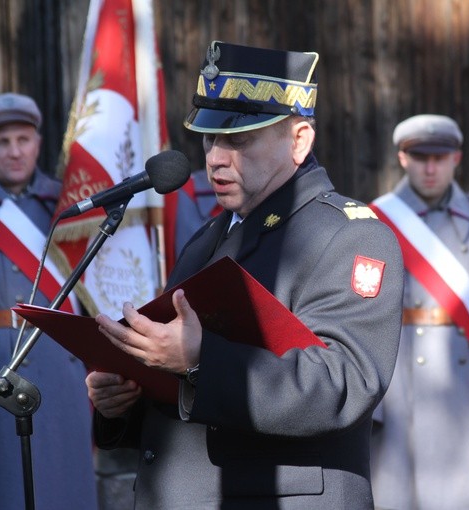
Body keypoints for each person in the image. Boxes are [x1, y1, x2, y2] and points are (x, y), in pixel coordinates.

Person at [85, 41, 404, 509]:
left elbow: (345, 383)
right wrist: (125, 401)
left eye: (239, 140)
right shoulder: (207, 237)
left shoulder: (351, 236)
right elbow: (186, 407)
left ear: (299, 141)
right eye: (210, 139)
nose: (215, 157)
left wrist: (199, 360)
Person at [369, 114, 469, 510]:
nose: (430, 167)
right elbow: (362, 318)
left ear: (456, 158)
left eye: (440, 157)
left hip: (466, 390)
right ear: (403, 159)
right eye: (420, 156)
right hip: (398, 384)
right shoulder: (374, 221)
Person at [0, 93, 98, 509]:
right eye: (1, 142)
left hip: (61, 368)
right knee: (7, 492)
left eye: (24, 139)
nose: (15, 152)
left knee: (65, 490)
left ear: (38, 142)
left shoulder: (66, 203)